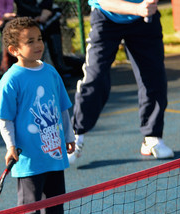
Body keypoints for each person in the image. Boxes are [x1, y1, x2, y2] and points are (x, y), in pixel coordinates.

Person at [0, 17, 77, 214]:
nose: (38, 44)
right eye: (30, 41)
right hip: (28, 156)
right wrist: (10, 146)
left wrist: (69, 137)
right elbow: (5, 119)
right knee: (30, 204)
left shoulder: (51, 72)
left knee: (55, 198)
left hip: (53, 151)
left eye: (39, 38)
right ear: (14, 50)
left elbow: (63, 108)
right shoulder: (11, 80)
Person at [69, 0, 174, 164]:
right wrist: (138, 8)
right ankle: (75, 137)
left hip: (144, 21)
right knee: (94, 78)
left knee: (154, 77)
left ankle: (152, 137)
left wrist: (144, 8)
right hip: (106, 17)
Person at [14, 0, 73, 76]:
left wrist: (45, 13)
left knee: (55, 19)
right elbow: (23, 5)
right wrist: (41, 12)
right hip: (27, 17)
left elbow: (48, 5)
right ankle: (35, 67)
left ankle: (59, 65)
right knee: (38, 29)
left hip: (44, 18)